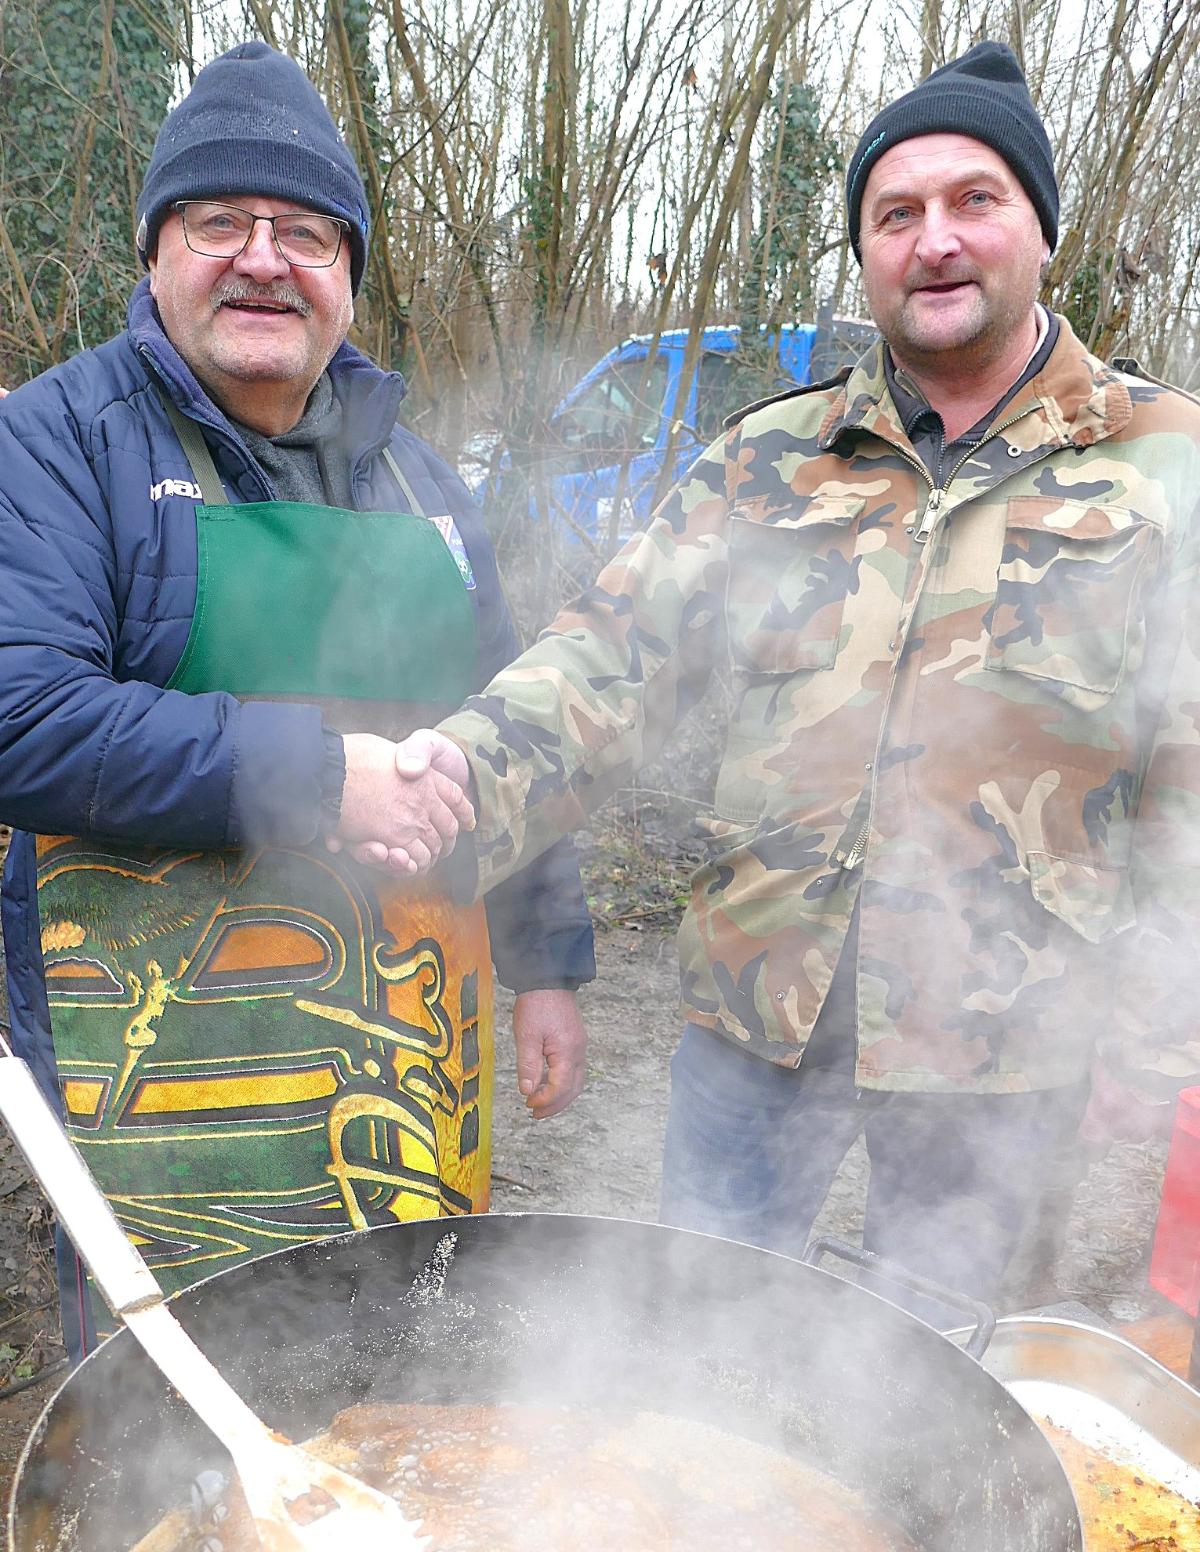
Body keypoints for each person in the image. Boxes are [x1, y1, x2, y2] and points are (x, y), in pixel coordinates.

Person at [367, 41, 1200, 1318]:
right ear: (864, 250)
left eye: (974, 199)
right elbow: (610, 664)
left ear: (1043, 227)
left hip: (1007, 1047)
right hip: (757, 1016)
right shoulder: (768, 460)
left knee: (949, 1380)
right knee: (694, 1345)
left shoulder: (1166, 466)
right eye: (895, 213)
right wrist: (457, 773)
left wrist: (1157, 1031)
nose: (934, 240)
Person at [0, 42, 593, 1358]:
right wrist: (321, 779)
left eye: (306, 233)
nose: (263, 259)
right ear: (156, 252)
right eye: (220, 222)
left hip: (404, 1056)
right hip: (156, 1072)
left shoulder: (425, 483)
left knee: (403, 1372)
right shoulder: (53, 441)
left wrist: (548, 964)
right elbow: (21, 717)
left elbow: (510, 722)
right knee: (168, 1400)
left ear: (348, 275)